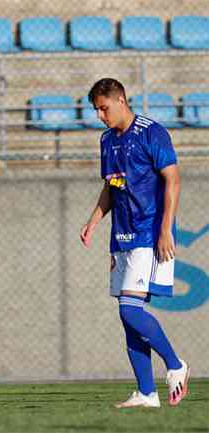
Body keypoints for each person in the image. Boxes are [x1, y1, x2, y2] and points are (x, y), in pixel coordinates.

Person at [81, 78, 190, 408]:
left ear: (121, 100)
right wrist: (93, 222)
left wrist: (166, 229)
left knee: (130, 310)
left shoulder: (151, 132)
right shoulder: (106, 140)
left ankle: (175, 365)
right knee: (127, 316)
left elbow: (172, 179)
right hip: (122, 235)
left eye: (104, 108)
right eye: (97, 110)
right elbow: (110, 187)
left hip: (148, 232)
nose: (100, 115)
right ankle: (146, 392)